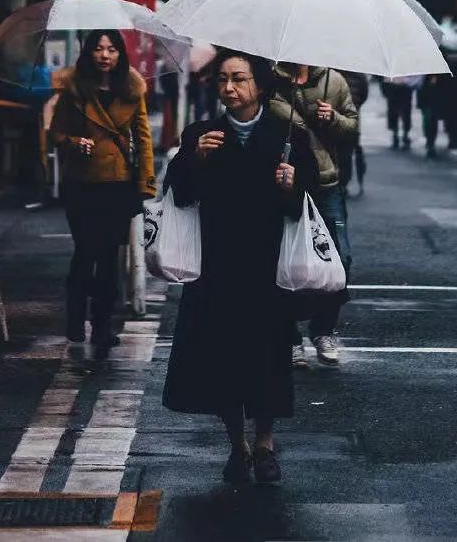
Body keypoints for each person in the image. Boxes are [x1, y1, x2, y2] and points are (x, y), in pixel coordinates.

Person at [162, 50, 315, 486]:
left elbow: (304, 205)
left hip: (267, 267)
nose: (229, 88)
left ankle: (265, 444)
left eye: (239, 79)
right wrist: (195, 159)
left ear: (260, 86)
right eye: (223, 79)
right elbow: (180, 194)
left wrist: (291, 185)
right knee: (223, 359)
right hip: (217, 267)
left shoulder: (287, 136)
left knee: (268, 358)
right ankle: (237, 446)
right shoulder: (202, 134)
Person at [50, 30, 156, 356]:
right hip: (81, 183)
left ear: (121, 54)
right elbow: (55, 133)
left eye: (111, 49)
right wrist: (74, 142)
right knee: (85, 252)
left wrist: (146, 183)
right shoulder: (74, 89)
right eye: (98, 49)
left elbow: (144, 138)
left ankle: (102, 325)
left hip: (117, 183)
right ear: (89, 53)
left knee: (108, 257)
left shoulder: (132, 89)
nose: (105, 55)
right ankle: (75, 316)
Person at [268, 65, 358, 366]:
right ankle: (289, 336)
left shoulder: (333, 81)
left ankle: (323, 330)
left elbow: (352, 128)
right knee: (285, 260)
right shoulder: (269, 82)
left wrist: (333, 118)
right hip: (283, 183)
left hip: (326, 183)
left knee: (339, 258)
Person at [382, 74, 419, 149]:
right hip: (396, 88)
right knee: (397, 114)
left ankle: (402, 135)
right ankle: (400, 135)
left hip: (401, 88)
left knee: (403, 114)